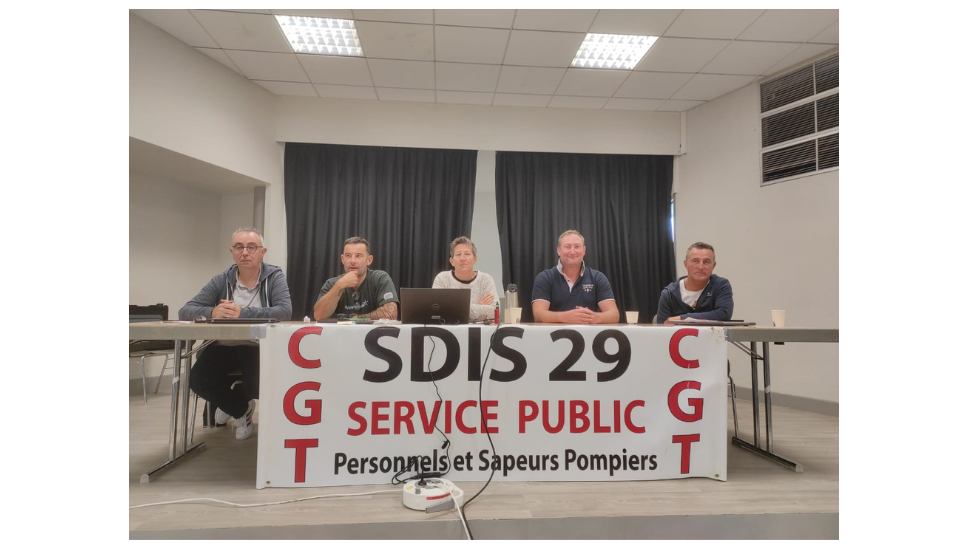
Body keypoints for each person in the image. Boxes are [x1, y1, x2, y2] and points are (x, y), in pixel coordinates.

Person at [178, 227, 293, 440]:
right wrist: (212, 312)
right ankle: (240, 410)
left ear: (262, 252)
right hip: (222, 345)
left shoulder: (274, 277)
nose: (245, 252)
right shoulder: (221, 279)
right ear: (232, 252)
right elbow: (185, 310)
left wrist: (242, 313)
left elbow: (284, 312)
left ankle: (233, 404)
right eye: (239, 247)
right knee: (197, 380)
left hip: (256, 346)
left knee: (257, 384)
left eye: (251, 247)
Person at [532, 230, 619, 324]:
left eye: (577, 247)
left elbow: (614, 315)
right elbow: (538, 315)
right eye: (567, 247)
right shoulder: (545, 278)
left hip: (588, 333)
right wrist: (565, 317)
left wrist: (593, 317)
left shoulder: (598, 277)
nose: (572, 252)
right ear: (559, 251)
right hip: (554, 334)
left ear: (584, 250)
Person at [313, 237, 399, 320]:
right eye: (348, 256)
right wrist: (339, 285)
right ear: (342, 259)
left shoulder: (380, 278)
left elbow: (390, 313)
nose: (353, 261)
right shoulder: (332, 283)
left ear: (369, 260)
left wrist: (356, 319)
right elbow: (318, 316)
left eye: (358, 256)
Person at [656, 241, 733, 324]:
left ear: (713, 266)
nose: (701, 267)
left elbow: (724, 314)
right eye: (695, 261)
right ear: (686, 264)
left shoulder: (720, 286)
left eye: (706, 262)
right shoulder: (669, 294)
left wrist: (683, 318)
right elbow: (662, 328)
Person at [432, 236, 499, 322]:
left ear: (475, 259)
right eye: (458, 254)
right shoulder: (442, 279)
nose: (462, 259)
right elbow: (436, 311)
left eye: (467, 254)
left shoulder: (486, 280)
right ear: (452, 261)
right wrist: (478, 306)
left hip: (479, 330)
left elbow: (495, 312)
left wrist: (455, 309)